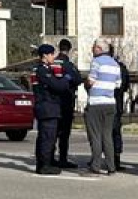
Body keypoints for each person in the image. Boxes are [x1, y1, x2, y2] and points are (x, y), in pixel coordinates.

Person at [30, 44, 74, 175]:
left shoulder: (43, 69)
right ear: (45, 56)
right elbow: (57, 86)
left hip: (47, 107)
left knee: (45, 137)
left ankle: (44, 163)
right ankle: (44, 165)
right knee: (47, 138)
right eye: (51, 55)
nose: (53, 57)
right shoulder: (42, 70)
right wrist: (66, 78)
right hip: (47, 107)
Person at [83, 40, 122, 175]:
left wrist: (86, 84)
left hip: (96, 103)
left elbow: (91, 80)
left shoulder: (97, 62)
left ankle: (96, 165)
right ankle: (111, 167)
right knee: (107, 136)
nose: (92, 49)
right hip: (110, 102)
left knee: (96, 136)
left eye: (93, 47)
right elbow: (118, 84)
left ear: (99, 48)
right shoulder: (115, 64)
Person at [53, 38, 81, 169]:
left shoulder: (51, 63)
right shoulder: (68, 65)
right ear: (69, 50)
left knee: (52, 132)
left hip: (53, 102)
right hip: (65, 102)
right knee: (64, 134)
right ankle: (62, 158)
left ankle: (50, 157)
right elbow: (78, 79)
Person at [109, 44, 131, 171]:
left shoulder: (99, 65)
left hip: (106, 102)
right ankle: (116, 160)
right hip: (117, 104)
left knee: (103, 132)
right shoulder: (121, 68)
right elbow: (125, 85)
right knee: (115, 132)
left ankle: (100, 158)